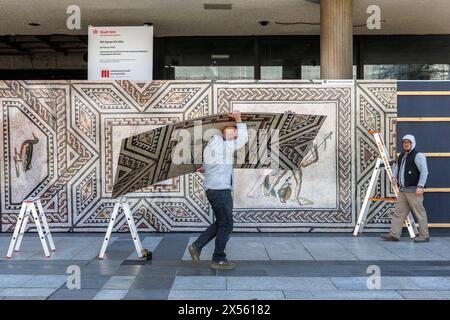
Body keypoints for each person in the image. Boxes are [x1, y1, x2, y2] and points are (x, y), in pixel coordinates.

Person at [188, 110, 248, 270]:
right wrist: (239, 119)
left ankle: (198, 246)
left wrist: (205, 168)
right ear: (227, 133)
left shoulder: (210, 147)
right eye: (234, 132)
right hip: (221, 191)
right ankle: (218, 259)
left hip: (212, 190)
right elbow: (243, 139)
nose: (236, 135)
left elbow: (208, 166)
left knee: (222, 222)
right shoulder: (225, 146)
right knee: (227, 224)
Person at [381, 134, 430, 243]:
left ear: (412, 143)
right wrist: (394, 176)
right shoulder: (401, 155)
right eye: (404, 142)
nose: (406, 144)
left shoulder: (418, 155)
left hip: (414, 191)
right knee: (398, 213)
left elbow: (424, 172)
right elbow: (397, 167)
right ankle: (394, 235)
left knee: (419, 213)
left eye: (408, 142)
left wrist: (420, 186)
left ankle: (424, 235)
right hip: (403, 191)